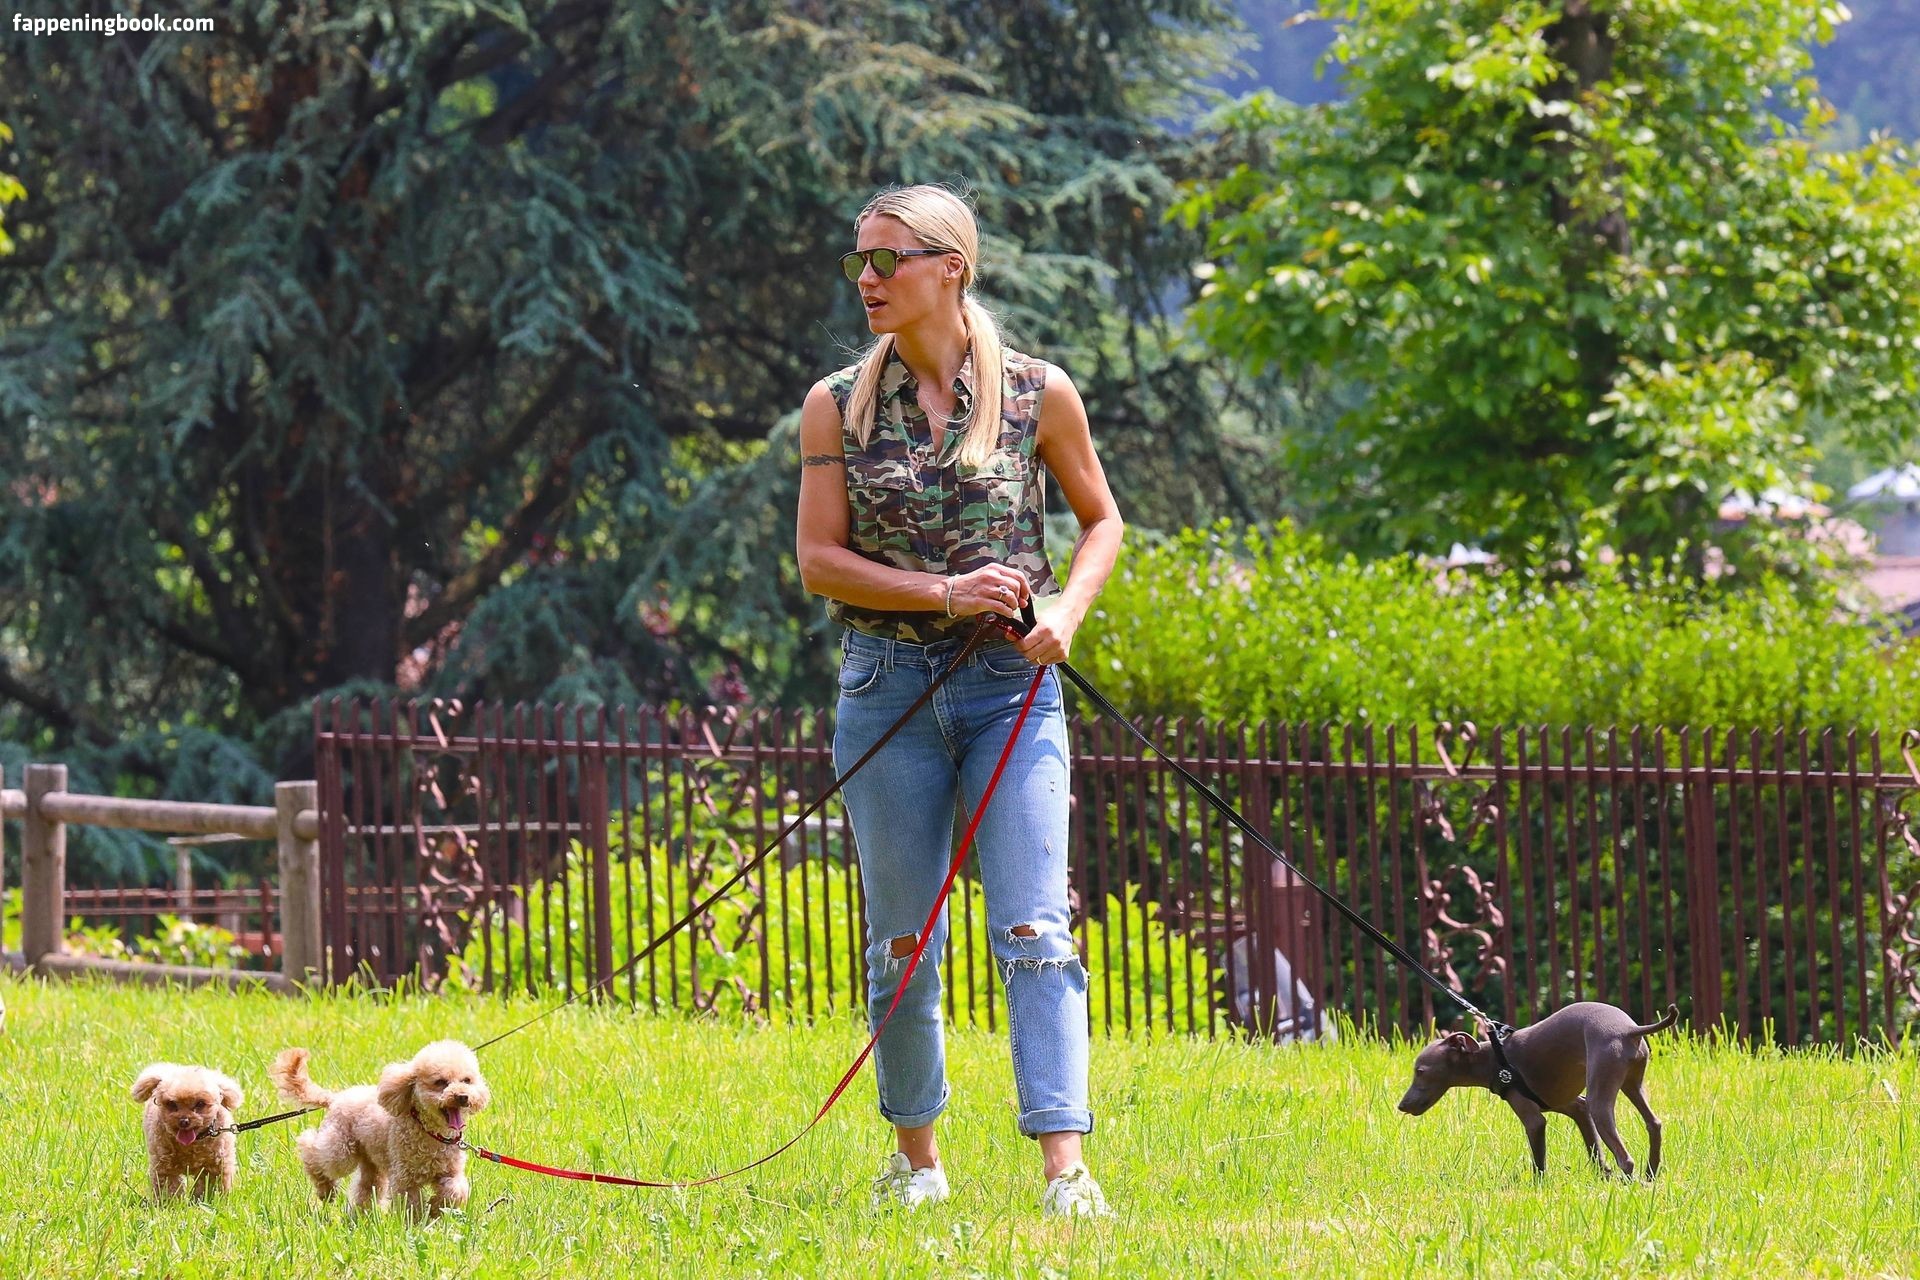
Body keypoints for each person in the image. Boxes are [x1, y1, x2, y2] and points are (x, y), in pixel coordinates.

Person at [794, 184, 1124, 1216]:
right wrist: (941, 591)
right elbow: (819, 561)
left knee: (1035, 928)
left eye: (887, 258)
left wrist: (1065, 610)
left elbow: (1102, 521)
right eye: (860, 259)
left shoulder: (1037, 393)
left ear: (952, 267)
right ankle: (918, 1162)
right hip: (885, 687)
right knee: (903, 940)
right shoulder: (834, 404)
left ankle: (1066, 1174)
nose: (867, 278)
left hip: (1010, 691)